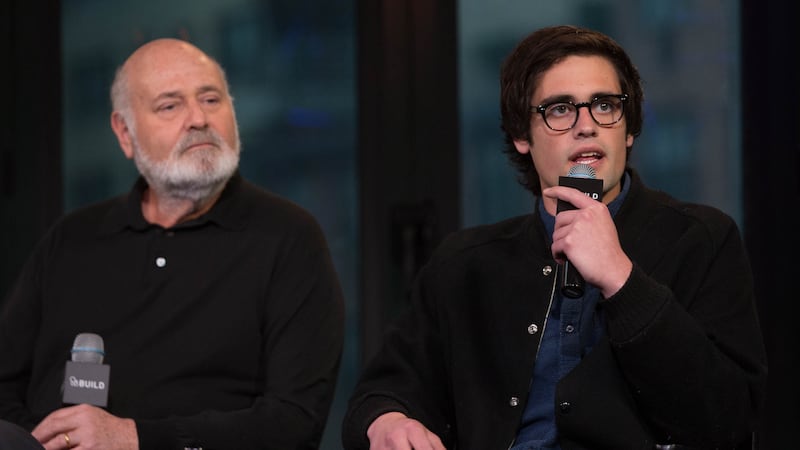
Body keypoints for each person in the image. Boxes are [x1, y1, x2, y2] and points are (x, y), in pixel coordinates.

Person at [342, 24, 767, 450]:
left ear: (629, 128)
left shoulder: (701, 240)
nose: (587, 125)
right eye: (560, 109)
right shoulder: (465, 264)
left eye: (604, 105)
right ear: (521, 137)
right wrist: (388, 421)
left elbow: (728, 421)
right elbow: (380, 393)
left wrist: (622, 280)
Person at [0, 38, 345, 449]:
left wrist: (134, 438)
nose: (198, 118)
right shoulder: (71, 240)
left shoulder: (288, 237)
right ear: (125, 133)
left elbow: (295, 421)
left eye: (212, 99)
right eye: (170, 105)